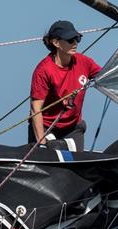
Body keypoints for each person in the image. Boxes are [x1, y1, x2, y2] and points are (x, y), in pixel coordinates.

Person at [29, 20, 102, 151]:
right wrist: (41, 143)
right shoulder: (44, 70)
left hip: (73, 127)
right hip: (47, 126)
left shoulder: (85, 62)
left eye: (77, 39)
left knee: (74, 165)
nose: (75, 43)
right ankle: (54, 145)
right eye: (70, 40)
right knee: (51, 153)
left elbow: (107, 77)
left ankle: (61, 145)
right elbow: (36, 110)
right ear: (56, 43)